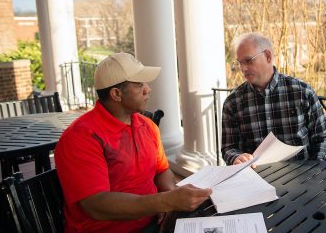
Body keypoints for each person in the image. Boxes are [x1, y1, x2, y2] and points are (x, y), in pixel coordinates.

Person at [55, 53, 212, 233]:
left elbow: (161, 170)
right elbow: (95, 205)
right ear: (116, 94)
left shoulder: (147, 126)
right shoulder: (81, 137)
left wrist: (170, 198)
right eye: (139, 85)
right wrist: (165, 201)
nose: (148, 89)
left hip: (155, 221)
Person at [221, 32, 326, 166]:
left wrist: (316, 170)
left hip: (303, 178)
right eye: (240, 63)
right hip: (256, 181)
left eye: (249, 60)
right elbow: (229, 148)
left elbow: (322, 137)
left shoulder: (302, 92)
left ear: (268, 56)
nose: (243, 69)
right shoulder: (232, 103)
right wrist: (236, 157)